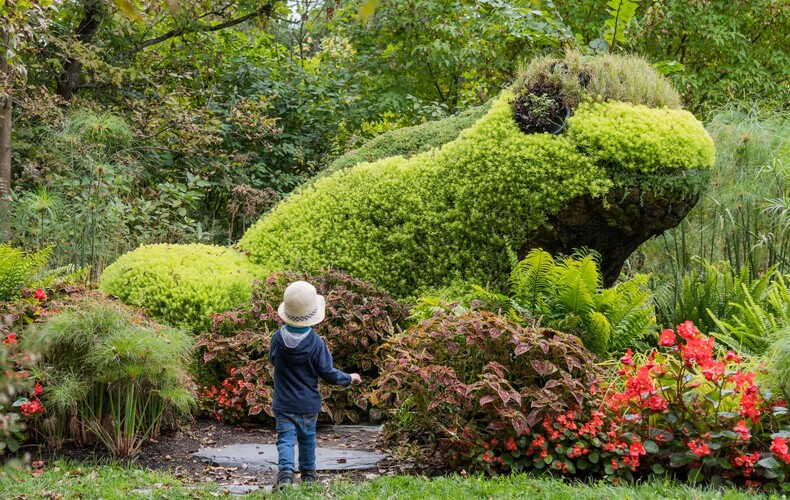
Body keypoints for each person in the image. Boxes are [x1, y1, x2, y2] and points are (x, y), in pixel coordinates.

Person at [269, 280, 362, 488]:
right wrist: (349, 378)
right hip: (307, 405)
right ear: (312, 315)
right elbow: (327, 373)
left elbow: (273, 360)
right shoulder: (316, 343)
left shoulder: (277, 338)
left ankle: (285, 475)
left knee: (285, 439)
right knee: (307, 439)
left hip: (283, 403)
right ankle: (309, 476)